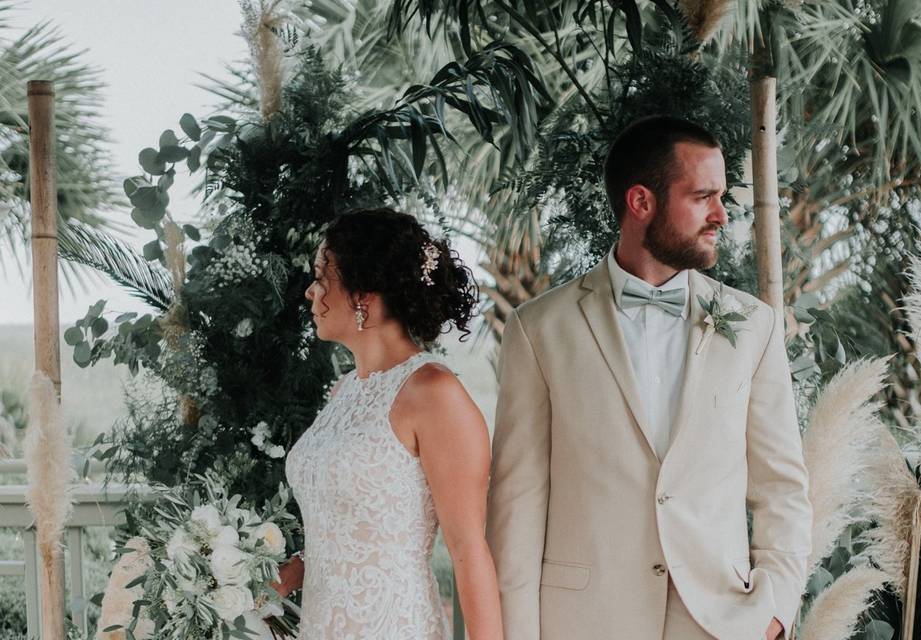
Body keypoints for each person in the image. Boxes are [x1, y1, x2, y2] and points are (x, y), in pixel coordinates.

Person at [487, 116, 812, 640]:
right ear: (641, 202)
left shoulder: (753, 325)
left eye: (721, 196)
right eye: (703, 196)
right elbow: (516, 507)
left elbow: (782, 486)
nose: (720, 215)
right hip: (584, 624)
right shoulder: (538, 330)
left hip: (720, 622)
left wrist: (776, 608)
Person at [278, 208, 503, 640]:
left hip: (395, 625)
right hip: (323, 626)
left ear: (364, 295)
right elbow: (351, 528)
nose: (310, 292)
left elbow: (469, 552)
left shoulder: (433, 393)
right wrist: (288, 571)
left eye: (323, 276)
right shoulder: (343, 392)